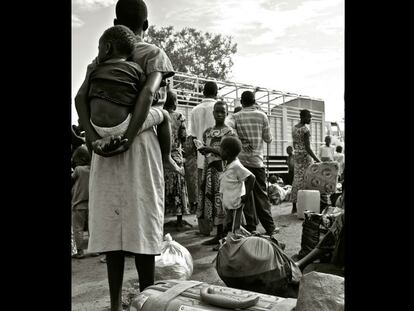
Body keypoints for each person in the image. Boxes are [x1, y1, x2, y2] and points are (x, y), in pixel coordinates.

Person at [74, 1, 174, 310]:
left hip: (103, 149)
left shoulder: (101, 58)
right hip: (139, 147)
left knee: (111, 227)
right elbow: (151, 97)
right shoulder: (154, 54)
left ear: (116, 21)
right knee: (143, 224)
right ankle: (147, 300)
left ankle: (115, 304)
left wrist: (92, 142)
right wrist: (130, 137)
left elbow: (83, 100)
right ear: (147, 23)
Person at [77, 24, 182, 175]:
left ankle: (93, 160)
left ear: (107, 48)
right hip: (125, 127)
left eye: (98, 48)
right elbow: (147, 94)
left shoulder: (94, 69)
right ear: (145, 23)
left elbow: (80, 98)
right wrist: (127, 140)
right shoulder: (137, 67)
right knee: (164, 115)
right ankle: (166, 158)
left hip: (95, 128)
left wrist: (93, 139)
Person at [227, 91, 279, 237]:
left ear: (241, 103)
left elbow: (227, 126)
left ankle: (251, 227)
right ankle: (270, 227)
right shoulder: (262, 116)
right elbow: (268, 139)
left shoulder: (236, 116)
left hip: (241, 163)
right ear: (254, 101)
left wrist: (240, 139)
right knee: (261, 195)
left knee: (246, 195)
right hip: (257, 162)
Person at [197, 101, 237, 247]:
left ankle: (224, 237)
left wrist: (210, 150)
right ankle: (218, 235)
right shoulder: (207, 132)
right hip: (210, 171)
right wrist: (203, 150)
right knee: (214, 202)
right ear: (213, 113)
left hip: (223, 172)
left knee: (222, 202)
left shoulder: (230, 132)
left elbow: (230, 154)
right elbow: (206, 150)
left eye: (222, 112)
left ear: (226, 113)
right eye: (217, 111)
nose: (220, 114)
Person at [188, 81, 218, 234]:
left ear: (203, 93)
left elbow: (193, 137)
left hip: (201, 160)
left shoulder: (195, 110)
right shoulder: (220, 108)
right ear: (216, 92)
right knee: (218, 192)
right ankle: (219, 227)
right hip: (219, 159)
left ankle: (204, 227)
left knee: (203, 193)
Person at [163, 90, 191, 230]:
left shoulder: (160, 115)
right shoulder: (179, 116)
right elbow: (184, 137)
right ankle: (179, 221)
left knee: (163, 188)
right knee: (179, 189)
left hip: (162, 157)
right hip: (176, 156)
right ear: (175, 102)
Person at [219, 136, 256, 233]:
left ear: (227, 152)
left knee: (235, 228)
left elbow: (251, 178)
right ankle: (230, 244)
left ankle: (237, 244)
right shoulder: (229, 164)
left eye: (221, 149)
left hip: (235, 204)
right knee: (230, 226)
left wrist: (245, 195)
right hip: (229, 204)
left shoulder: (236, 166)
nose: (220, 152)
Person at [290, 109, 320, 214]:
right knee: (308, 180)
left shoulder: (294, 128)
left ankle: (294, 206)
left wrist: (297, 153)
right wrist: (317, 160)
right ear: (303, 117)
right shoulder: (305, 130)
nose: (310, 119)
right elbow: (308, 148)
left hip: (297, 156)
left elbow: (294, 144)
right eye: (309, 117)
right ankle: (307, 205)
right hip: (306, 158)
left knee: (297, 179)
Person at [71, 145, 91, 259]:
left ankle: (80, 252)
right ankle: (95, 250)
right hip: (90, 203)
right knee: (91, 228)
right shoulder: (91, 169)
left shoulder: (78, 170)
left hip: (78, 203)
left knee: (77, 228)